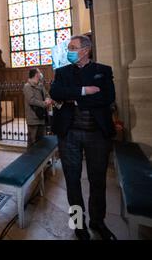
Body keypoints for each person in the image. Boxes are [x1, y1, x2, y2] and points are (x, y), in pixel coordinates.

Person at [50, 35, 117, 240]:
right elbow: (55, 92)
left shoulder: (102, 71)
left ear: (85, 50)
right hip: (69, 134)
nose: (68, 50)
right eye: (68, 47)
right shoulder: (62, 72)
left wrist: (75, 100)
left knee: (98, 181)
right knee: (72, 180)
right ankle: (78, 224)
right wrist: (84, 91)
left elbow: (107, 97)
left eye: (72, 47)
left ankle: (97, 221)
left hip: (97, 134)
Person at [23, 68, 53, 147]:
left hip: (41, 116)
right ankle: (30, 158)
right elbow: (31, 100)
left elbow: (46, 94)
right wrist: (44, 104)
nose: (41, 74)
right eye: (39, 73)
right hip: (33, 118)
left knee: (41, 141)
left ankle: (42, 159)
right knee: (32, 142)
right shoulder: (27, 86)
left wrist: (47, 99)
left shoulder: (40, 85)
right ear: (36, 75)